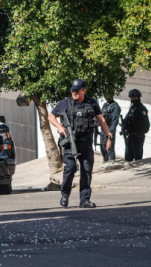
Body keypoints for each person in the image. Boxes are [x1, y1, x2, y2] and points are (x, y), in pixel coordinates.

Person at [48, 79, 112, 208]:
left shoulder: (91, 102)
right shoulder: (65, 103)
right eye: (73, 90)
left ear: (84, 90)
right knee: (70, 167)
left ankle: (84, 200)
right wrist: (60, 127)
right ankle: (65, 194)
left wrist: (108, 136)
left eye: (77, 91)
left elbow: (101, 119)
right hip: (70, 142)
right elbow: (51, 116)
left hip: (86, 141)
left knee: (87, 170)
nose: (74, 93)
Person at [121, 89, 150, 162]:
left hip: (138, 136)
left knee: (137, 157)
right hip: (130, 135)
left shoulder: (142, 109)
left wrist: (141, 133)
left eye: (135, 98)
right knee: (128, 157)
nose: (133, 99)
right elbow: (127, 118)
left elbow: (146, 123)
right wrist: (124, 124)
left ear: (138, 98)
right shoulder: (132, 108)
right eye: (132, 98)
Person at [99, 97, 120, 162]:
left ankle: (111, 163)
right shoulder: (105, 105)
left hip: (109, 130)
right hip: (103, 130)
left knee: (110, 149)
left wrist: (111, 131)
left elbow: (115, 121)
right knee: (102, 147)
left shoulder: (115, 106)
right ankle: (105, 161)